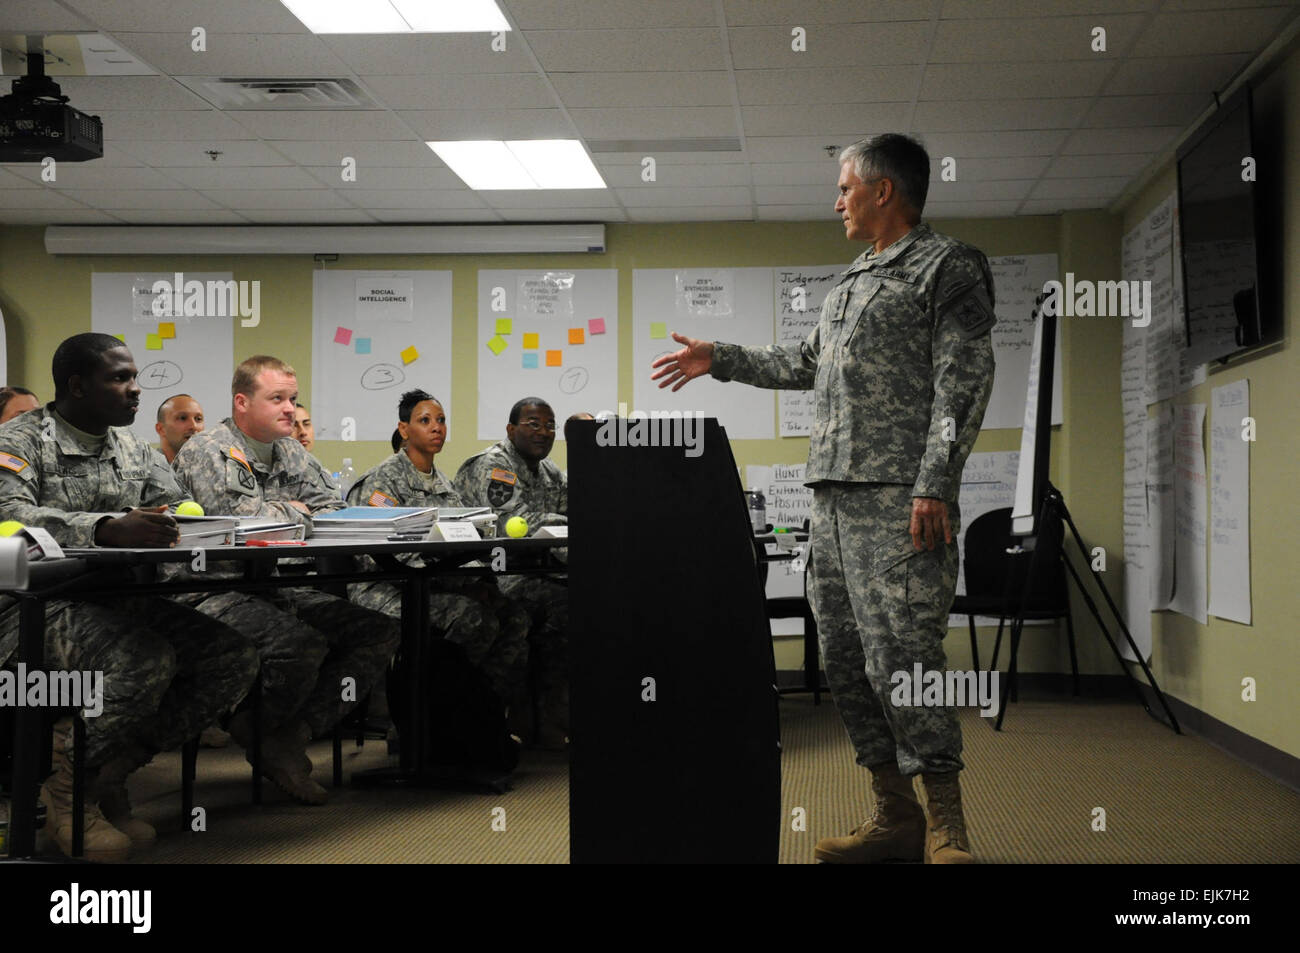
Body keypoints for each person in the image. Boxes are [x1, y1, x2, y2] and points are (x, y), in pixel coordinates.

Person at [650, 134, 997, 865]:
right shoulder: (851, 283)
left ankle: (947, 827)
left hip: (902, 499)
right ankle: (894, 816)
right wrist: (722, 359)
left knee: (905, 655)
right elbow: (805, 362)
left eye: (845, 188)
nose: (835, 200)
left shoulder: (947, 267)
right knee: (845, 661)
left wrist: (936, 478)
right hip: (833, 506)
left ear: (884, 192)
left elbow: (962, 379)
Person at [0, 333, 258, 861]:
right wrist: (103, 528)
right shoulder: (23, 441)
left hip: (114, 599)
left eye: (135, 377)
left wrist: (198, 526)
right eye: (120, 379)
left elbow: (181, 505)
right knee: (143, 661)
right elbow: (9, 518)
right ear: (76, 385)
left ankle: (102, 775)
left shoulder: (132, 448)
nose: (135, 390)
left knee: (229, 657)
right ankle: (70, 795)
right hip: (28, 608)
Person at [172, 356, 400, 804]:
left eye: (292, 399)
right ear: (242, 402)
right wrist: (295, 511)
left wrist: (295, 515)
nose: (290, 410)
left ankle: (287, 735)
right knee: (299, 642)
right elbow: (242, 526)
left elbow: (333, 507)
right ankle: (258, 730)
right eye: (276, 399)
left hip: (269, 586)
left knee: (378, 631)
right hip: (206, 587)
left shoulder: (290, 450)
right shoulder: (207, 449)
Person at [346, 389, 529, 709]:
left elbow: (465, 540)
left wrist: (476, 583)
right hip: (386, 586)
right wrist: (460, 585)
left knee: (514, 616)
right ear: (404, 429)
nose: (436, 428)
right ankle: (427, 709)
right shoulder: (382, 482)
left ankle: (478, 710)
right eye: (425, 420)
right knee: (473, 619)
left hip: (436, 582)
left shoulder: (444, 484)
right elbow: (382, 555)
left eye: (441, 421)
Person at [454, 398, 569, 748]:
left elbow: (575, 518)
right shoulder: (494, 466)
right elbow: (517, 529)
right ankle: (536, 714)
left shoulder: (549, 472)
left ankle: (546, 713)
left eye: (550, 425)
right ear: (511, 429)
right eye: (533, 424)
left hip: (538, 571)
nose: (544, 432)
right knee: (565, 607)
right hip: (492, 573)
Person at [154, 393, 205, 463]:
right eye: (183, 418)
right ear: (161, 429)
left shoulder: (213, 469)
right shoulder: (143, 469)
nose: (194, 426)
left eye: (198, 419)